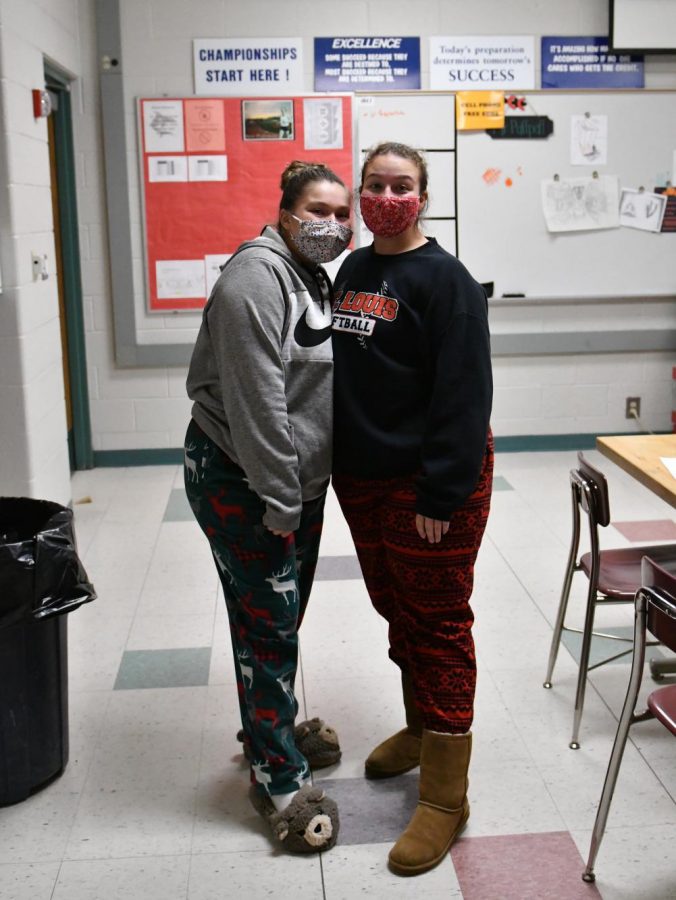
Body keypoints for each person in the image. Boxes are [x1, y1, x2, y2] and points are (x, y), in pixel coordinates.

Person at [331, 142, 493, 876]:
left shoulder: (446, 282)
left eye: (403, 186)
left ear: (423, 196)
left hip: (429, 483)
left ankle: (445, 799)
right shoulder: (356, 270)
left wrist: (441, 491)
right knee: (398, 608)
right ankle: (421, 726)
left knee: (437, 622)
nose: (387, 196)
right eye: (376, 184)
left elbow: (464, 395)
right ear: (360, 192)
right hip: (364, 476)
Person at [184, 161, 352, 854]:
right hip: (246, 481)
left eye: (344, 214)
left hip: (290, 481)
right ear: (285, 212)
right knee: (271, 626)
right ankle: (280, 779)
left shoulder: (307, 272)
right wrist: (282, 498)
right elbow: (258, 405)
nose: (334, 225)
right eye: (319, 210)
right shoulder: (255, 278)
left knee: (271, 620)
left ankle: (267, 729)